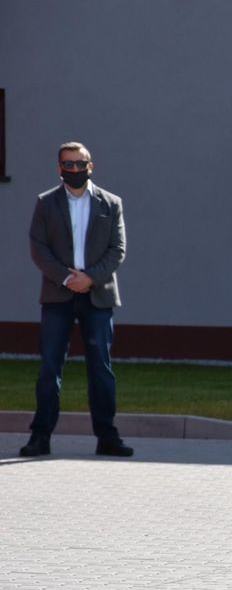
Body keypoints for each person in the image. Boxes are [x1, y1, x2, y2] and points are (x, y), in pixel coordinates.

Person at [20, 142, 132, 458]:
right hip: (58, 295)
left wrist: (90, 277)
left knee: (101, 368)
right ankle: (40, 437)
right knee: (50, 368)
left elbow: (117, 249)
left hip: (98, 295)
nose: (73, 169)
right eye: (67, 164)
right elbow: (38, 248)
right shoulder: (46, 203)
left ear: (90, 166)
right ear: (59, 168)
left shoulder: (111, 203)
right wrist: (68, 277)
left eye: (79, 163)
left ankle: (108, 437)